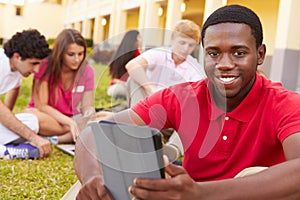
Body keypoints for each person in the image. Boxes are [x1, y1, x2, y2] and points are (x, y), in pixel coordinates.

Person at [74, 4, 300, 199]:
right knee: (94, 186)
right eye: (213, 54)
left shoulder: (284, 103)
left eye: (239, 53)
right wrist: (92, 178)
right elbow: (93, 134)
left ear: (260, 55)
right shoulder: (182, 97)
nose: (224, 64)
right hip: (186, 194)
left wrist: (202, 194)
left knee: (252, 174)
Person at [25, 28, 95, 144]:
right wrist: (71, 123)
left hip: (71, 118)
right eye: (71, 54)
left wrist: (89, 113)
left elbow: (87, 105)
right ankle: (74, 133)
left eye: (80, 54)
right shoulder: (45, 66)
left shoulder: (87, 71)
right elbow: (41, 105)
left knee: (104, 117)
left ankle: (56, 139)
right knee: (32, 117)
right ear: (61, 53)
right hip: (46, 117)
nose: (77, 59)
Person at [126, 19, 205, 107]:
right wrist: (152, 90)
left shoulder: (194, 67)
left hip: (172, 108)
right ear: (172, 39)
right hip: (148, 100)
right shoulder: (160, 53)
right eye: (182, 43)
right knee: (133, 79)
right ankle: (136, 117)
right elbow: (132, 65)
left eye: (191, 45)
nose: (186, 49)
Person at [0, 29, 51, 158]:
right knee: (26, 131)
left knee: (32, 121)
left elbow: (13, 91)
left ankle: (6, 145)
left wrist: (7, 122)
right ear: (17, 57)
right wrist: (35, 139)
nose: (37, 69)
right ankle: (5, 151)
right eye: (34, 64)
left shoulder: (17, 70)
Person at [107, 30, 141, 100]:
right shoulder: (121, 55)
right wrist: (124, 84)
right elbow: (114, 79)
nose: (140, 41)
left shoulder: (138, 54)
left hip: (132, 87)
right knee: (118, 90)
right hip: (118, 87)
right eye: (138, 38)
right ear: (132, 41)